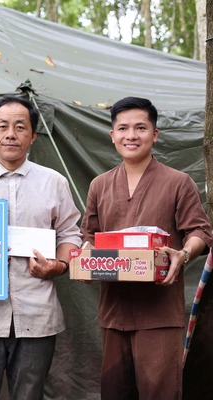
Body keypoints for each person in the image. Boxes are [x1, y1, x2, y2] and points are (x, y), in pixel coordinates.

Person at [81, 96, 213, 399]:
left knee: (159, 392)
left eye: (140, 128)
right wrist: (85, 260)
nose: (131, 135)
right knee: (115, 391)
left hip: (159, 313)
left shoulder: (178, 182)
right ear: (112, 135)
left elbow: (200, 232)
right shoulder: (99, 185)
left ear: (155, 134)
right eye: (123, 128)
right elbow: (89, 236)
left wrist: (183, 254)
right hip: (113, 311)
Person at [0, 94, 82, 400]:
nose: (11, 134)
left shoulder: (54, 182)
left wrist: (59, 265)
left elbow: (70, 234)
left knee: (29, 395)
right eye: (3, 126)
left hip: (37, 313)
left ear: (33, 136)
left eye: (20, 127)